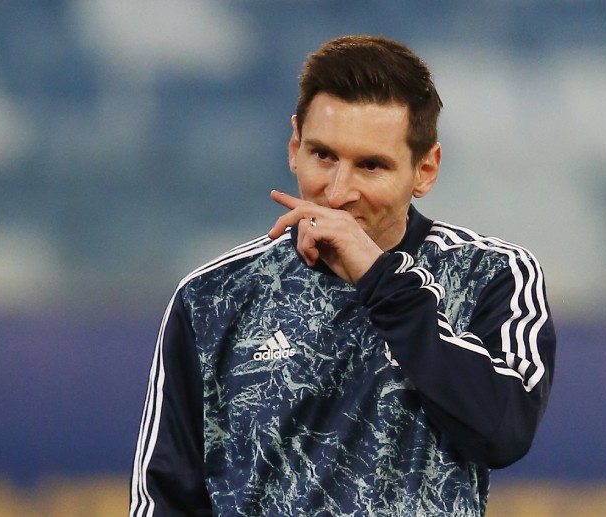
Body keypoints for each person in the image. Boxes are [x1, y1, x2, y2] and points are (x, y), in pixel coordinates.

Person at [130, 34, 556, 516]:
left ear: (425, 169)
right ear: (294, 147)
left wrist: (378, 276)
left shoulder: (492, 275)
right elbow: (165, 498)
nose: (337, 193)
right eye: (323, 156)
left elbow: (504, 430)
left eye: (370, 166)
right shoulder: (211, 297)